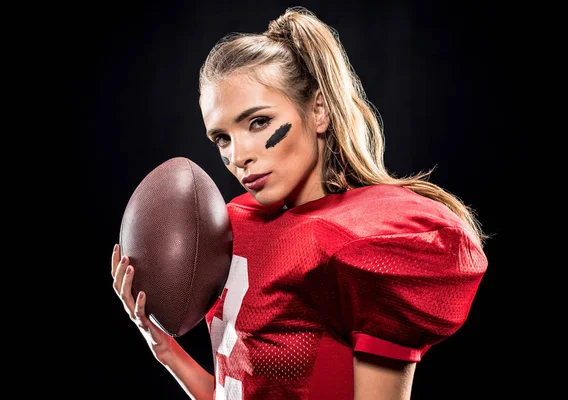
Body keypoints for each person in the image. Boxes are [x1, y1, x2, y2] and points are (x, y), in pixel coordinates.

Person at [111, 6, 489, 400]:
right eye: (222, 138)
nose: (238, 155)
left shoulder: (359, 243)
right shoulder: (234, 225)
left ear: (318, 110)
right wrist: (165, 349)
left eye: (258, 122)